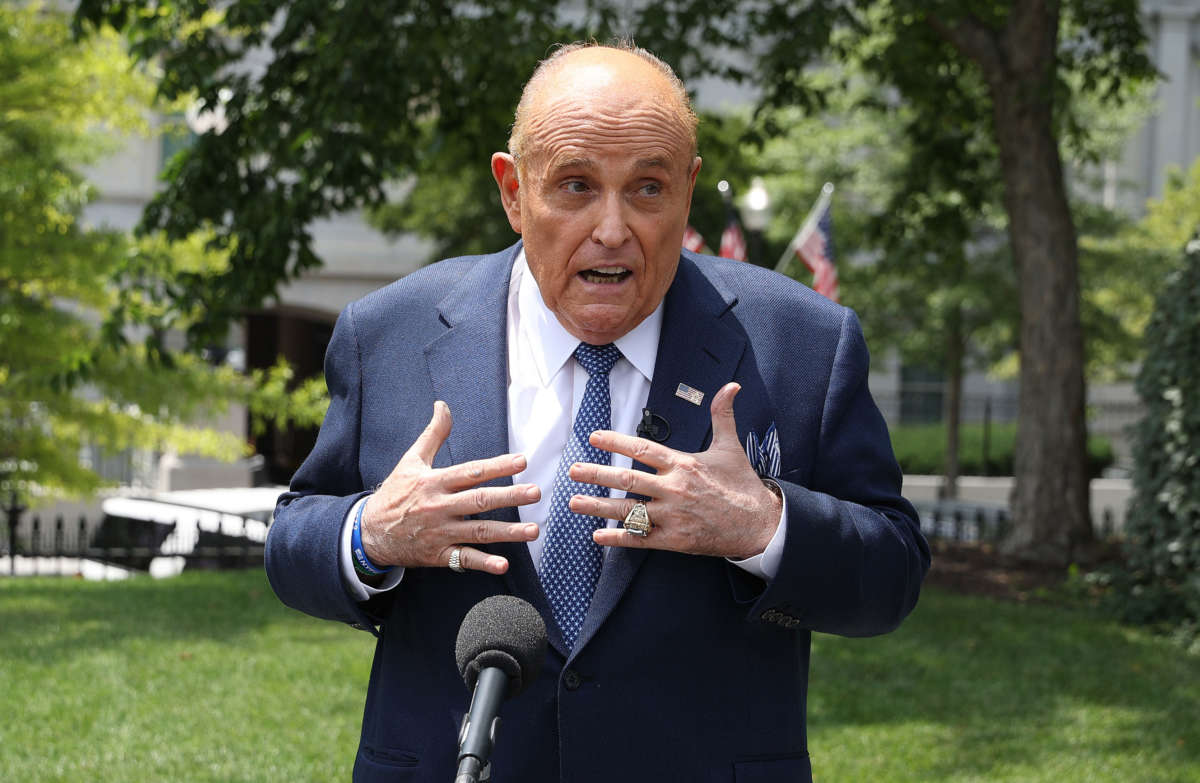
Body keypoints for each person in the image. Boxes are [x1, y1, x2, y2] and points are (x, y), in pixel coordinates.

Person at [266, 41, 929, 783]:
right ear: (514, 192)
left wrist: (764, 526)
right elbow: (293, 540)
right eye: (576, 186)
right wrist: (373, 535)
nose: (613, 228)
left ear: (688, 189)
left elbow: (892, 574)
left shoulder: (802, 343)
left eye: (648, 189)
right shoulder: (387, 333)